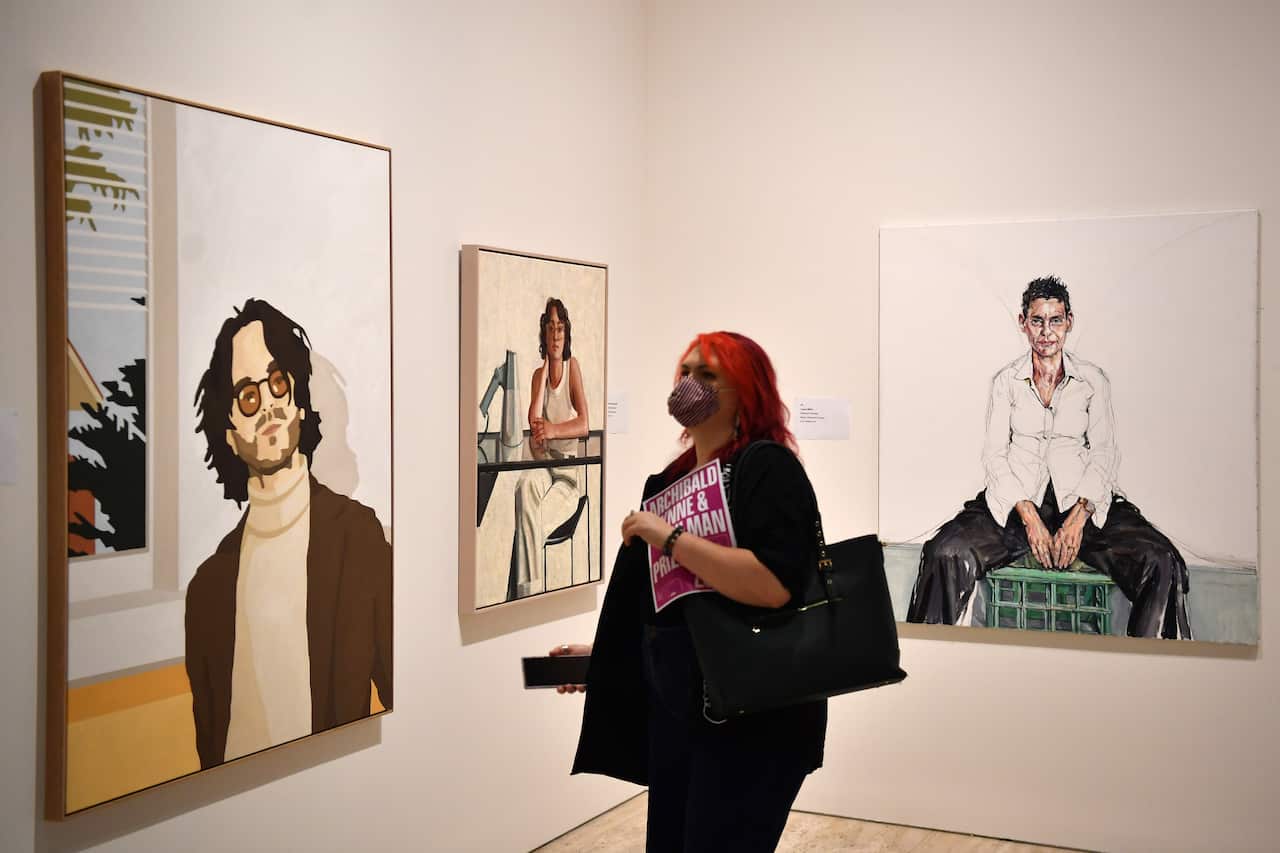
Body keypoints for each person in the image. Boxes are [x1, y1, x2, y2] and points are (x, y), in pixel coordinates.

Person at [553, 332, 826, 852]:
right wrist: (602, 658)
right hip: (682, 716)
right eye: (686, 371)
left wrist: (670, 538)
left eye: (708, 374)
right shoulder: (667, 482)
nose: (690, 384)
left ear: (746, 391)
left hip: (756, 719)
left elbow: (774, 585)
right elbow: (668, 607)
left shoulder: (767, 468)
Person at [905, 275, 1191, 638]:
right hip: (1017, 508)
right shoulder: (1006, 381)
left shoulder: (1093, 381)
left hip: (1082, 505)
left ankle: (1152, 664)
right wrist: (1029, 517)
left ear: (1068, 322)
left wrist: (1079, 518)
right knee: (943, 553)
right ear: (1023, 323)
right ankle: (928, 654)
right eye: (1037, 321)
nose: (1046, 332)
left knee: (1162, 561)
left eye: (1055, 320)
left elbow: (1104, 454)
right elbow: (995, 457)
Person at [186, 298, 392, 769]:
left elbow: (403, 688)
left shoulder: (358, 540)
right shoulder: (208, 588)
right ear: (229, 431)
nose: (269, 407)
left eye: (278, 382)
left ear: (298, 400)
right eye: (248, 396)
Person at [507, 297, 590, 599]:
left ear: (566, 334)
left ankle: (524, 596)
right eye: (550, 328)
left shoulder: (572, 368)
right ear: (543, 333)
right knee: (524, 486)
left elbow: (584, 424)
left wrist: (553, 430)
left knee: (528, 528)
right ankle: (527, 595)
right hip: (544, 469)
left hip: (567, 477)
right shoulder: (538, 377)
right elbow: (533, 423)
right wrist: (543, 371)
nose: (555, 335)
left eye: (560, 328)